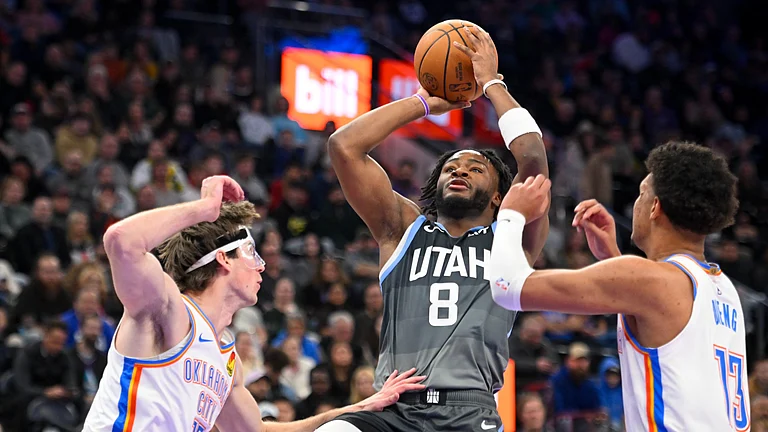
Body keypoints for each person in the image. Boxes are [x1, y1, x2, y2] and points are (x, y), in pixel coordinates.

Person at [321, 27, 549, 431]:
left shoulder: (510, 238)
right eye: (450, 167)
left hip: (468, 411)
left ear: (500, 197)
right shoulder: (401, 229)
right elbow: (344, 147)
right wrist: (423, 102)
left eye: (475, 168)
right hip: (394, 406)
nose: (460, 170)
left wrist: (492, 85)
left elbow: (532, 159)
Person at [82, 175, 426, 431]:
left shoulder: (227, 360)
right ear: (223, 260)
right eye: (252, 253)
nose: (261, 264)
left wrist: (359, 408)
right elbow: (121, 240)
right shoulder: (169, 311)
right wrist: (203, 209)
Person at [488, 142, 751, 431]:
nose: (636, 204)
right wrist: (612, 258)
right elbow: (665, 337)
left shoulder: (650, 281)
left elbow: (507, 286)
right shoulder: (723, 287)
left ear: (655, 207)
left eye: (641, 194)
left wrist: (511, 214)